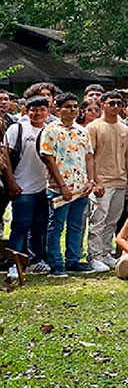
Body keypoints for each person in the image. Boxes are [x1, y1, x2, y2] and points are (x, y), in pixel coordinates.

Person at [39, 93, 97, 276]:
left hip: (81, 188)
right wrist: (62, 185)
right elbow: (48, 159)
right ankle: (56, 263)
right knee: (56, 225)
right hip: (59, 187)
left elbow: (89, 156)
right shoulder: (51, 130)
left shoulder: (83, 130)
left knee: (76, 225)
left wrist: (91, 181)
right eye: (67, 106)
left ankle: (73, 260)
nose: (72, 110)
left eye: (75, 106)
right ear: (58, 108)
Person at [87, 90, 128, 274]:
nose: (115, 107)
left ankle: (106, 252)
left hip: (120, 180)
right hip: (102, 182)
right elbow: (89, 156)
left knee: (112, 221)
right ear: (103, 104)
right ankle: (94, 256)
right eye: (111, 103)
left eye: (118, 103)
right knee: (98, 219)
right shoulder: (94, 127)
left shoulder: (124, 128)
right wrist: (94, 181)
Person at [6, 97, 50, 274]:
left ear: (48, 111)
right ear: (26, 110)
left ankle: (35, 260)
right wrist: (11, 181)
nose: (37, 113)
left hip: (44, 188)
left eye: (41, 109)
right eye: (33, 110)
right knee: (20, 226)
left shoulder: (51, 131)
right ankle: (13, 264)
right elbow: (5, 157)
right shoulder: (17, 129)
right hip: (22, 186)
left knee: (39, 227)